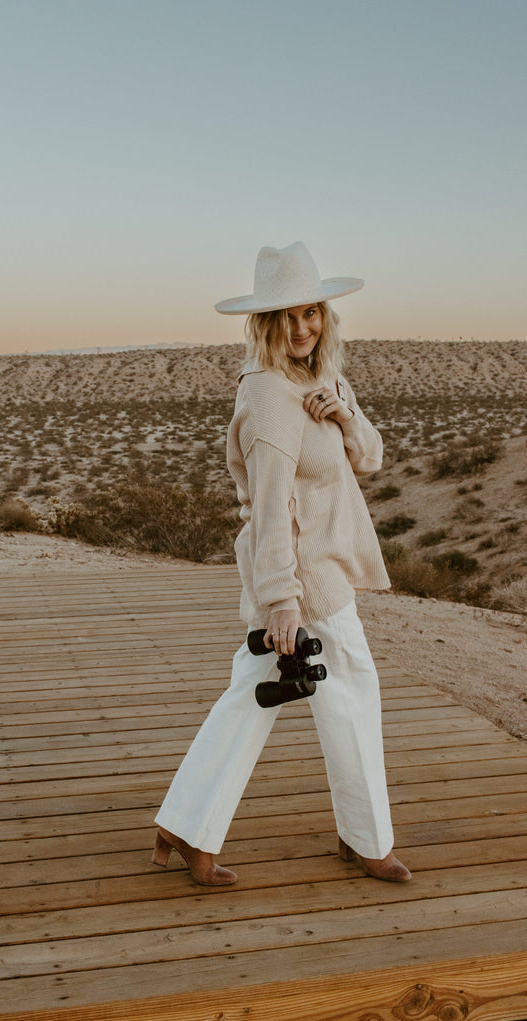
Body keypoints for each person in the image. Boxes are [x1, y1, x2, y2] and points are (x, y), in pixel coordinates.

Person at [152, 240, 411, 885]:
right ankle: (367, 840)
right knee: (350, 686)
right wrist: (283, 600)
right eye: (286, 317)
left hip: (319, 561)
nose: (301, 328)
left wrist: (345, 414)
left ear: (325, 315)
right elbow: (269, 509)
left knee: (252, 694)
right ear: (264, 325)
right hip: (304, 570)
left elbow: (372, 458)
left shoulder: (321, 381)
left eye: (311, 313)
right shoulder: (269, 395)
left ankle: (182, 828)